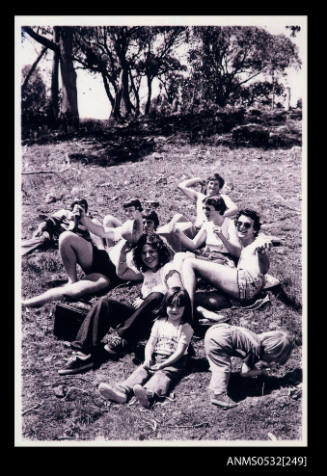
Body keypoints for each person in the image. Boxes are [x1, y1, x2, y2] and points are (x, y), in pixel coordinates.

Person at [58, 233, 183, 375]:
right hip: (137, 320)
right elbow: (122, 273)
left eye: (151, 251)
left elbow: (177, 296)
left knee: (156, 296)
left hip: (157, 323)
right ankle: (84, 352)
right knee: (105, 303)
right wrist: (123, 251)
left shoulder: (169, 269)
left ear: (159, 251)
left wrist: (148, 300)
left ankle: (121, 337)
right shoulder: (146, 272)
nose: (148, 256)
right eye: (144, 253)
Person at [21, 204, 144, 308]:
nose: (137, 229)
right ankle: (72, 279)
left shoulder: (149, 251)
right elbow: (103, 231)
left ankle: (26, 303)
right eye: (137, 226)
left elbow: (123, 274)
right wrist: (84, 218)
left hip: (110, 275)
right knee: (66, 237)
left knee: (74, 291)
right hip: (103, 258)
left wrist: (123, 254)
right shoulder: (131, 233)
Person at [98, 287, 194, 408]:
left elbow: (180, 352)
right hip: (156, 356)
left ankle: (148, 396)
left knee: (162, 375)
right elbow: (151, 343)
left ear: (186, 308)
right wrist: (148, 358)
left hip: (175, 362)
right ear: (165, 305)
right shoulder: (159, 322)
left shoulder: (185, 327)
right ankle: (121, 392)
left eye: (179, 306)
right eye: (171, 305)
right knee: (142, 370)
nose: (174, 309)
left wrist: (164, 364)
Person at [180, 209, 275, 314]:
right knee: (195, 298)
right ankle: (198, 312)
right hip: (243, 295)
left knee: (189, 263)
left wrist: (262, 253)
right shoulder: (244, 244)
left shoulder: (258, 242)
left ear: (254, 230)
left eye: (247, 225)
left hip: (244, 283)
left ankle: (187, 316)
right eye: (239, 223)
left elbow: (264, 269)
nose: (242, 227)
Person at [204, 323, 300, 408]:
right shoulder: (255, 350)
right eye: (273, 358)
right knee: (223, 368)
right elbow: (244, 373)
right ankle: (218, 395)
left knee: (218, 364)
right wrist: (261, 371)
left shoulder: (255, 339)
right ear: (272, 351)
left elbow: (248, 359)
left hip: (217, 331)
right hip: (218, 341)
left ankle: (214, 387)